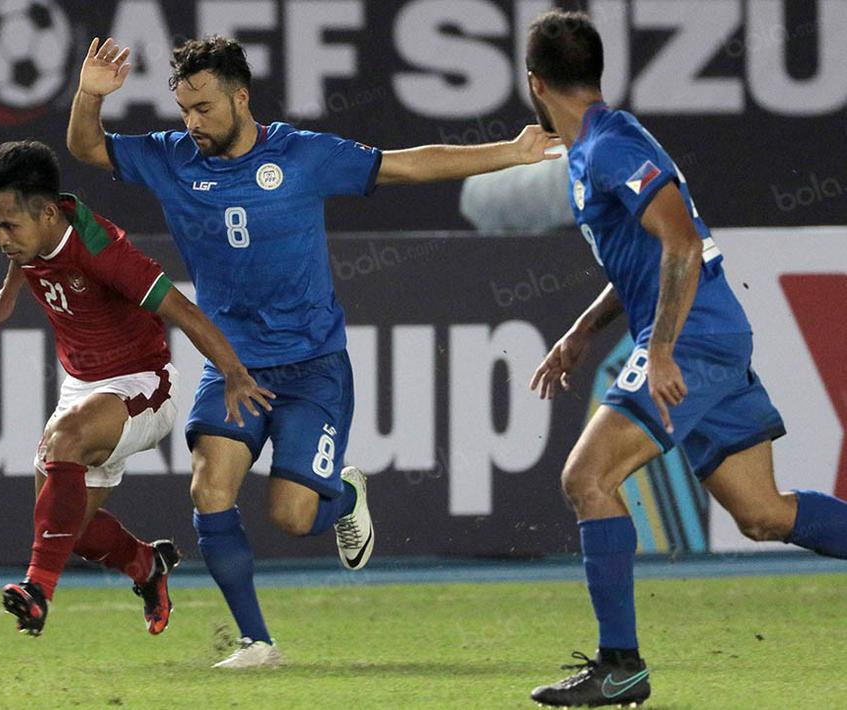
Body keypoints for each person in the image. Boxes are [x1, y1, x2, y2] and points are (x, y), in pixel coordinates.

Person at [67, 35, 560, 667]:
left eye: (205, 108)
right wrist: (89, 95)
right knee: (209, 489)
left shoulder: (302, 155)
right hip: (233, 366)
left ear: (241, 98)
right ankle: (257, 642)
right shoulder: (171, 158)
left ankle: (345, 497)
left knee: (294, 517)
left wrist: (512, 152)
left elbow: (407, 165)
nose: (192, 123)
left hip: (312, 367)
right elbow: (86, 147)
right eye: (184, 110)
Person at [523, 11, 847, 707]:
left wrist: (662, 349)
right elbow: (645, 255)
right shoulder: (597, 146)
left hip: (691, 339)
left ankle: (620, 666)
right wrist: (582, 330)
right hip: (708, 335)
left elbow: (683, 243)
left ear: (534, 84)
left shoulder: (610, 146)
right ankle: (619, 666)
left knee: (587, 479)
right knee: (762, 513)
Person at [0, 140, 273, 638]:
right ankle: (146, 564)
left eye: (8, 226)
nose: (1, 239)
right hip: (82, 387)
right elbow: (25, 253)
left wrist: (235, 373)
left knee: (65, 444)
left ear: (47, 214)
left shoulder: (103, 253)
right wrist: (7, 296)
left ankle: (37, 591)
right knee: (65, 527)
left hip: (144, 383)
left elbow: (185, 311)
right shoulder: (35, 232)